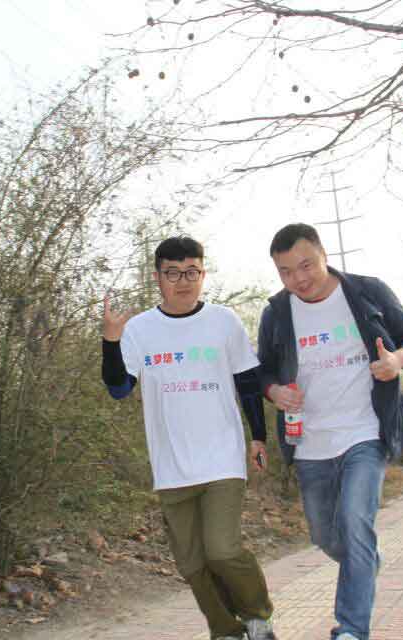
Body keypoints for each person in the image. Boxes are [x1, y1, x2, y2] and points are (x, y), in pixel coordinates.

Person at [254, 223, 403, 640]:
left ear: (324, 255)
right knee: (325, 536)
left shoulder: (368, 292)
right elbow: (262, 371)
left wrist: (398, 361)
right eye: (285, 271)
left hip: (365, 432)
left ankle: (350, 629)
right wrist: (275, 391)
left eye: (306, 265)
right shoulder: (277, 312)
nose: (298, 279)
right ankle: (364, 564)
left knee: (354, 523)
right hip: (309, 441)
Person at [101, 236, 277, 640]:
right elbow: (118, 388)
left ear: (203, 273)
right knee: (192, 564)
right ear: (157, 277)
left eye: (192, 272)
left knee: (223, 550)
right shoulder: (139, 330)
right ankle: (226, 630)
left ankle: (258, 617)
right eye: (173, 273)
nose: (183, 281)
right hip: (171, 464)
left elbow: (247, 383)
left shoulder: (223, 321)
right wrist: (111, 342)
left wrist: (258, 437)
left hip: (222, 458)